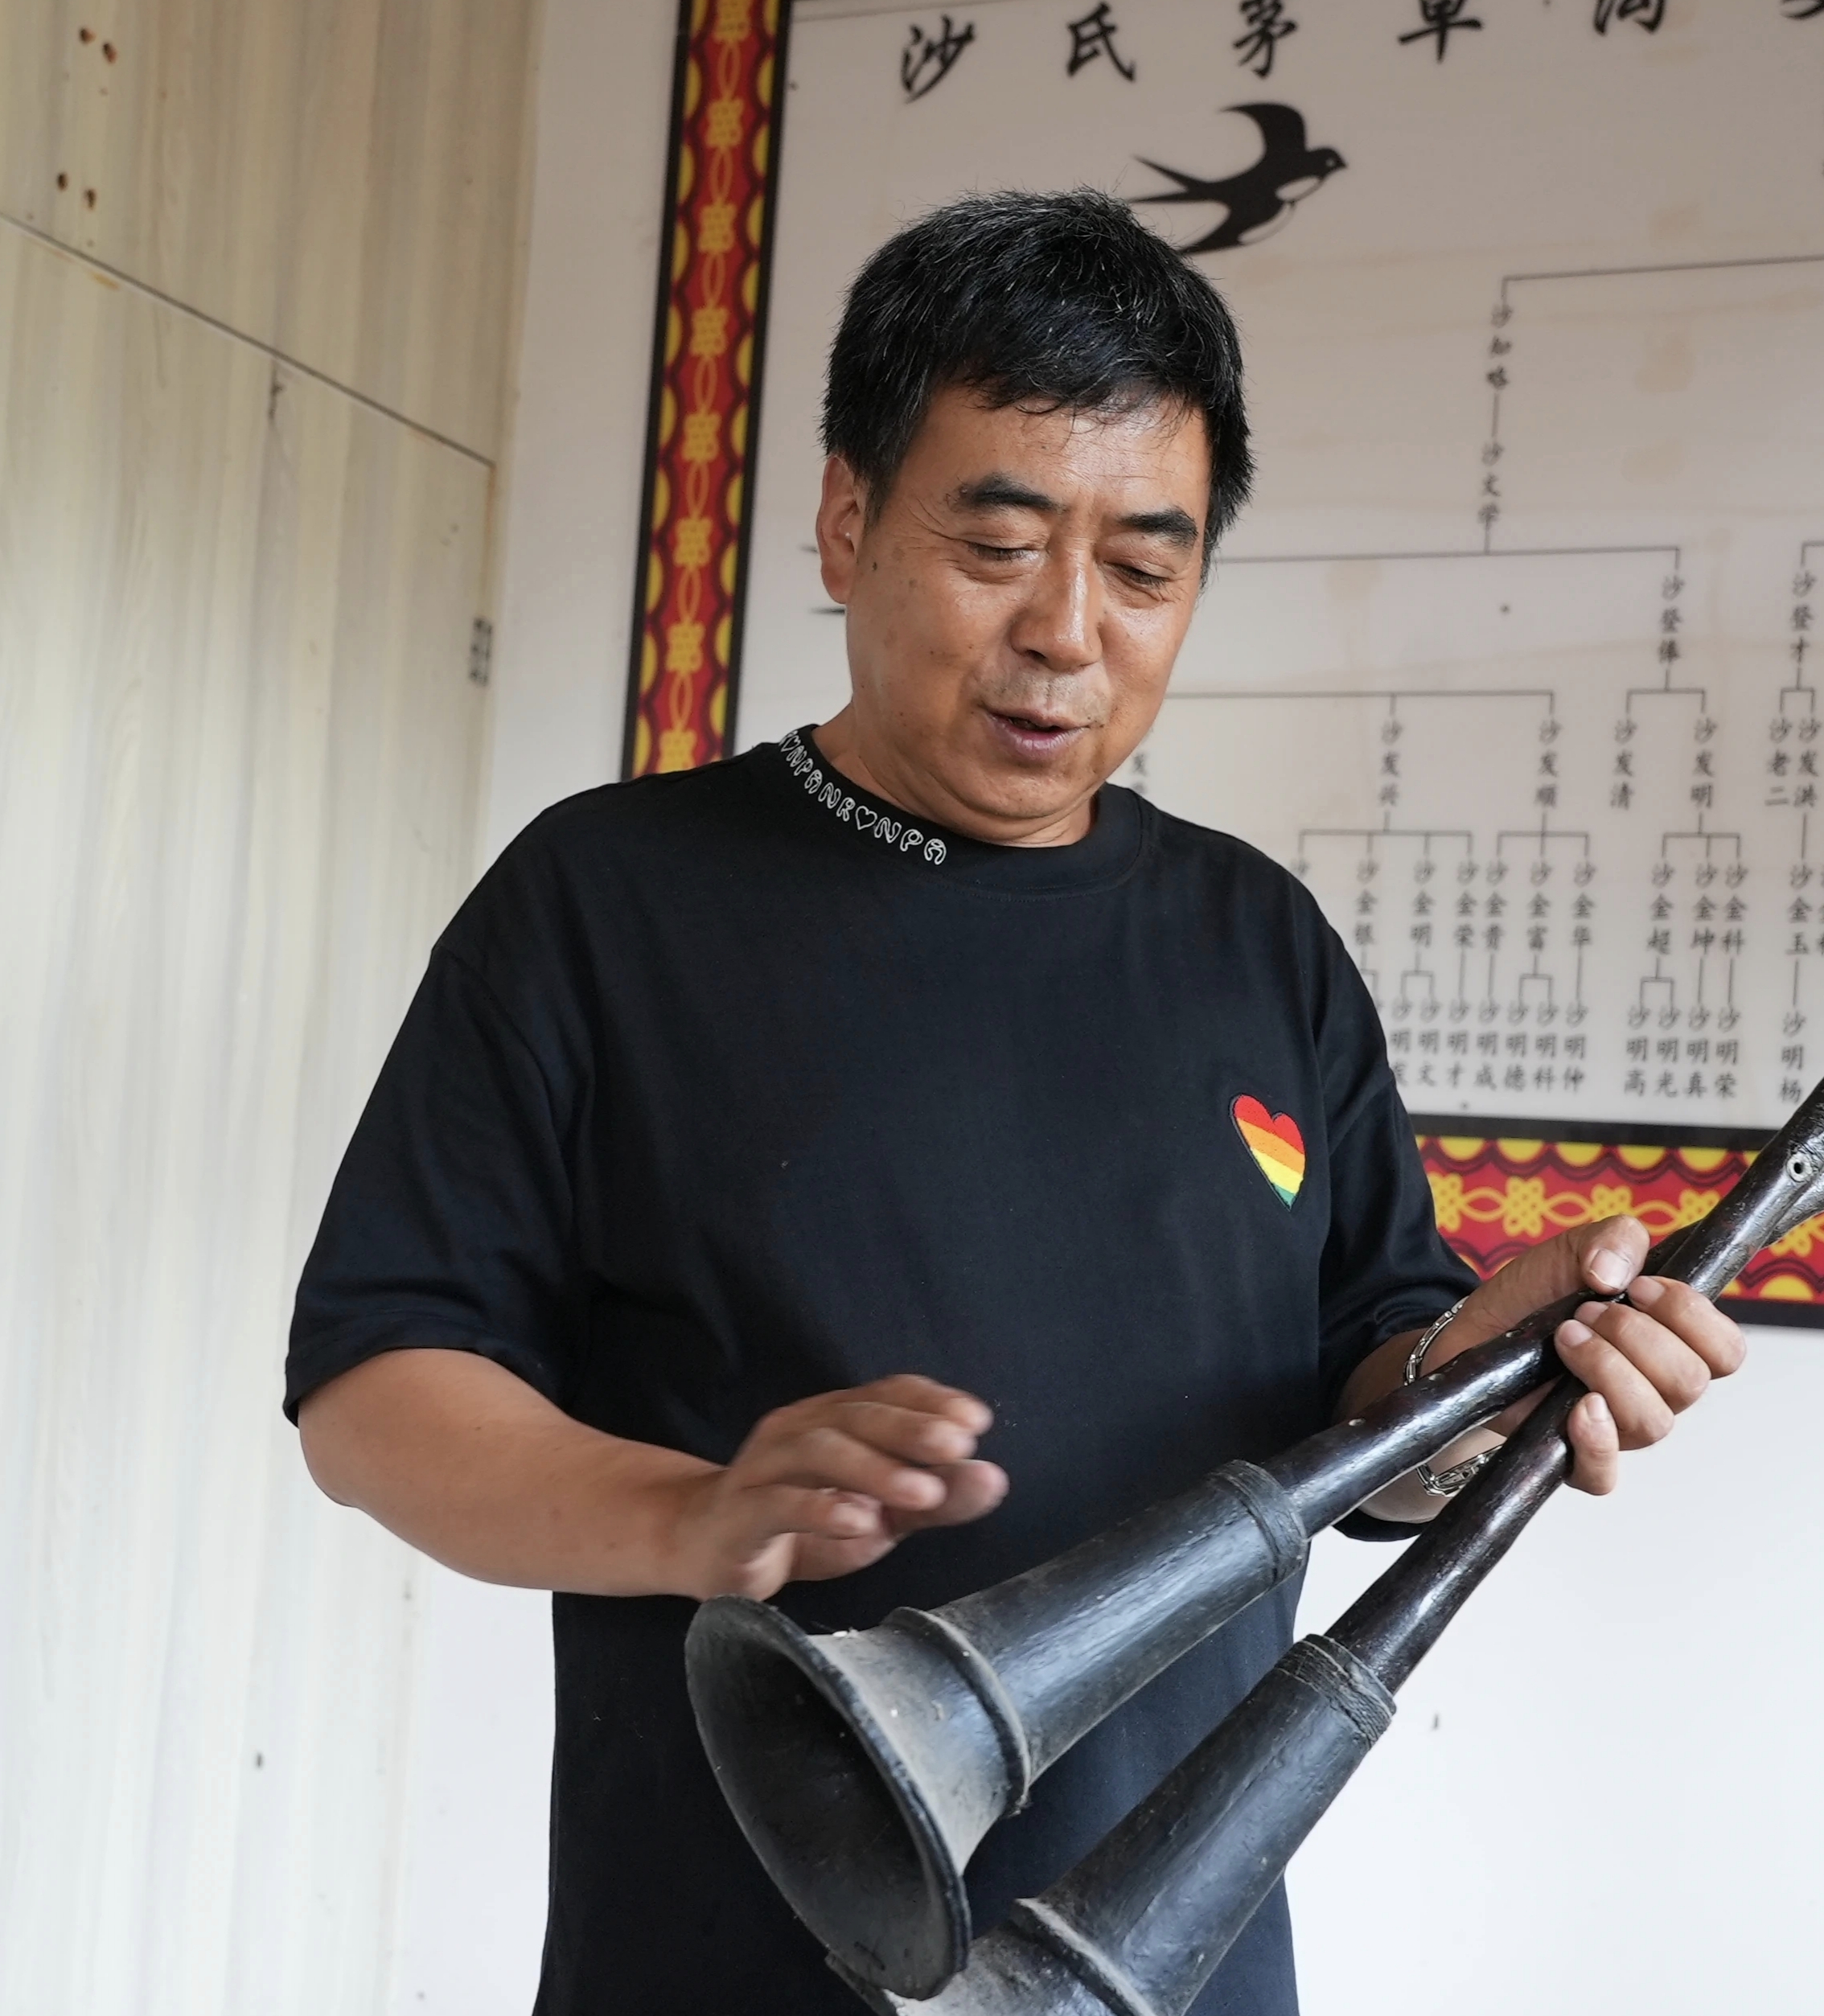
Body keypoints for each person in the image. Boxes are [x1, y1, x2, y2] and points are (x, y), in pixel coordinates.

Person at [286, 191, 1745, 2016]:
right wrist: (693, 1515)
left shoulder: (1258, 942)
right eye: (997, 545)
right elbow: (376, 1393)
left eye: (1143, 570)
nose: (1066, 634)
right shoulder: (606, 900)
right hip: (727, 1964)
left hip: (1174, 1971)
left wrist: (1491, 1373)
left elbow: (1370, 1405)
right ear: (845, 521)